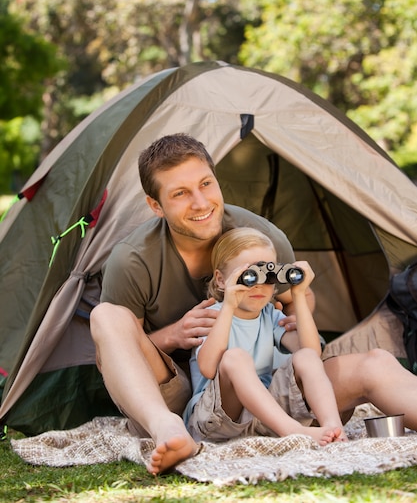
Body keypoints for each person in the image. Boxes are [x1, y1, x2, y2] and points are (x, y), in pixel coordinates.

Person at [90, 132, 417, 476]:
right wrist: (172, 336)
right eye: (181, 193)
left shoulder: (259, 236)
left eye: (206, 184)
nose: (201, 203)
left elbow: (298, 296)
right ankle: (167, 431)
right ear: (156, 205)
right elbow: (113, 351)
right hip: (183, 395)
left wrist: (294, 314)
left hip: (273, 387)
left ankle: (319, 427)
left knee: (376, 362)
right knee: (107, 316)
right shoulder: (134, 260)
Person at [184, 227, 347, 445]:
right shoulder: (211, 316)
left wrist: (298, 295)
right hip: (217, 419)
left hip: (265, 417)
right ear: (222, 280)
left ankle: (333, 428)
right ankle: (293, 431)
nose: (259, 285)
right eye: (249, 276)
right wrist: (229, 306)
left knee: (305, 357)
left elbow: (311, 352)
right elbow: (208, 368)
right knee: (235, 358)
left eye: (268, 276)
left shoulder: (269, 315)